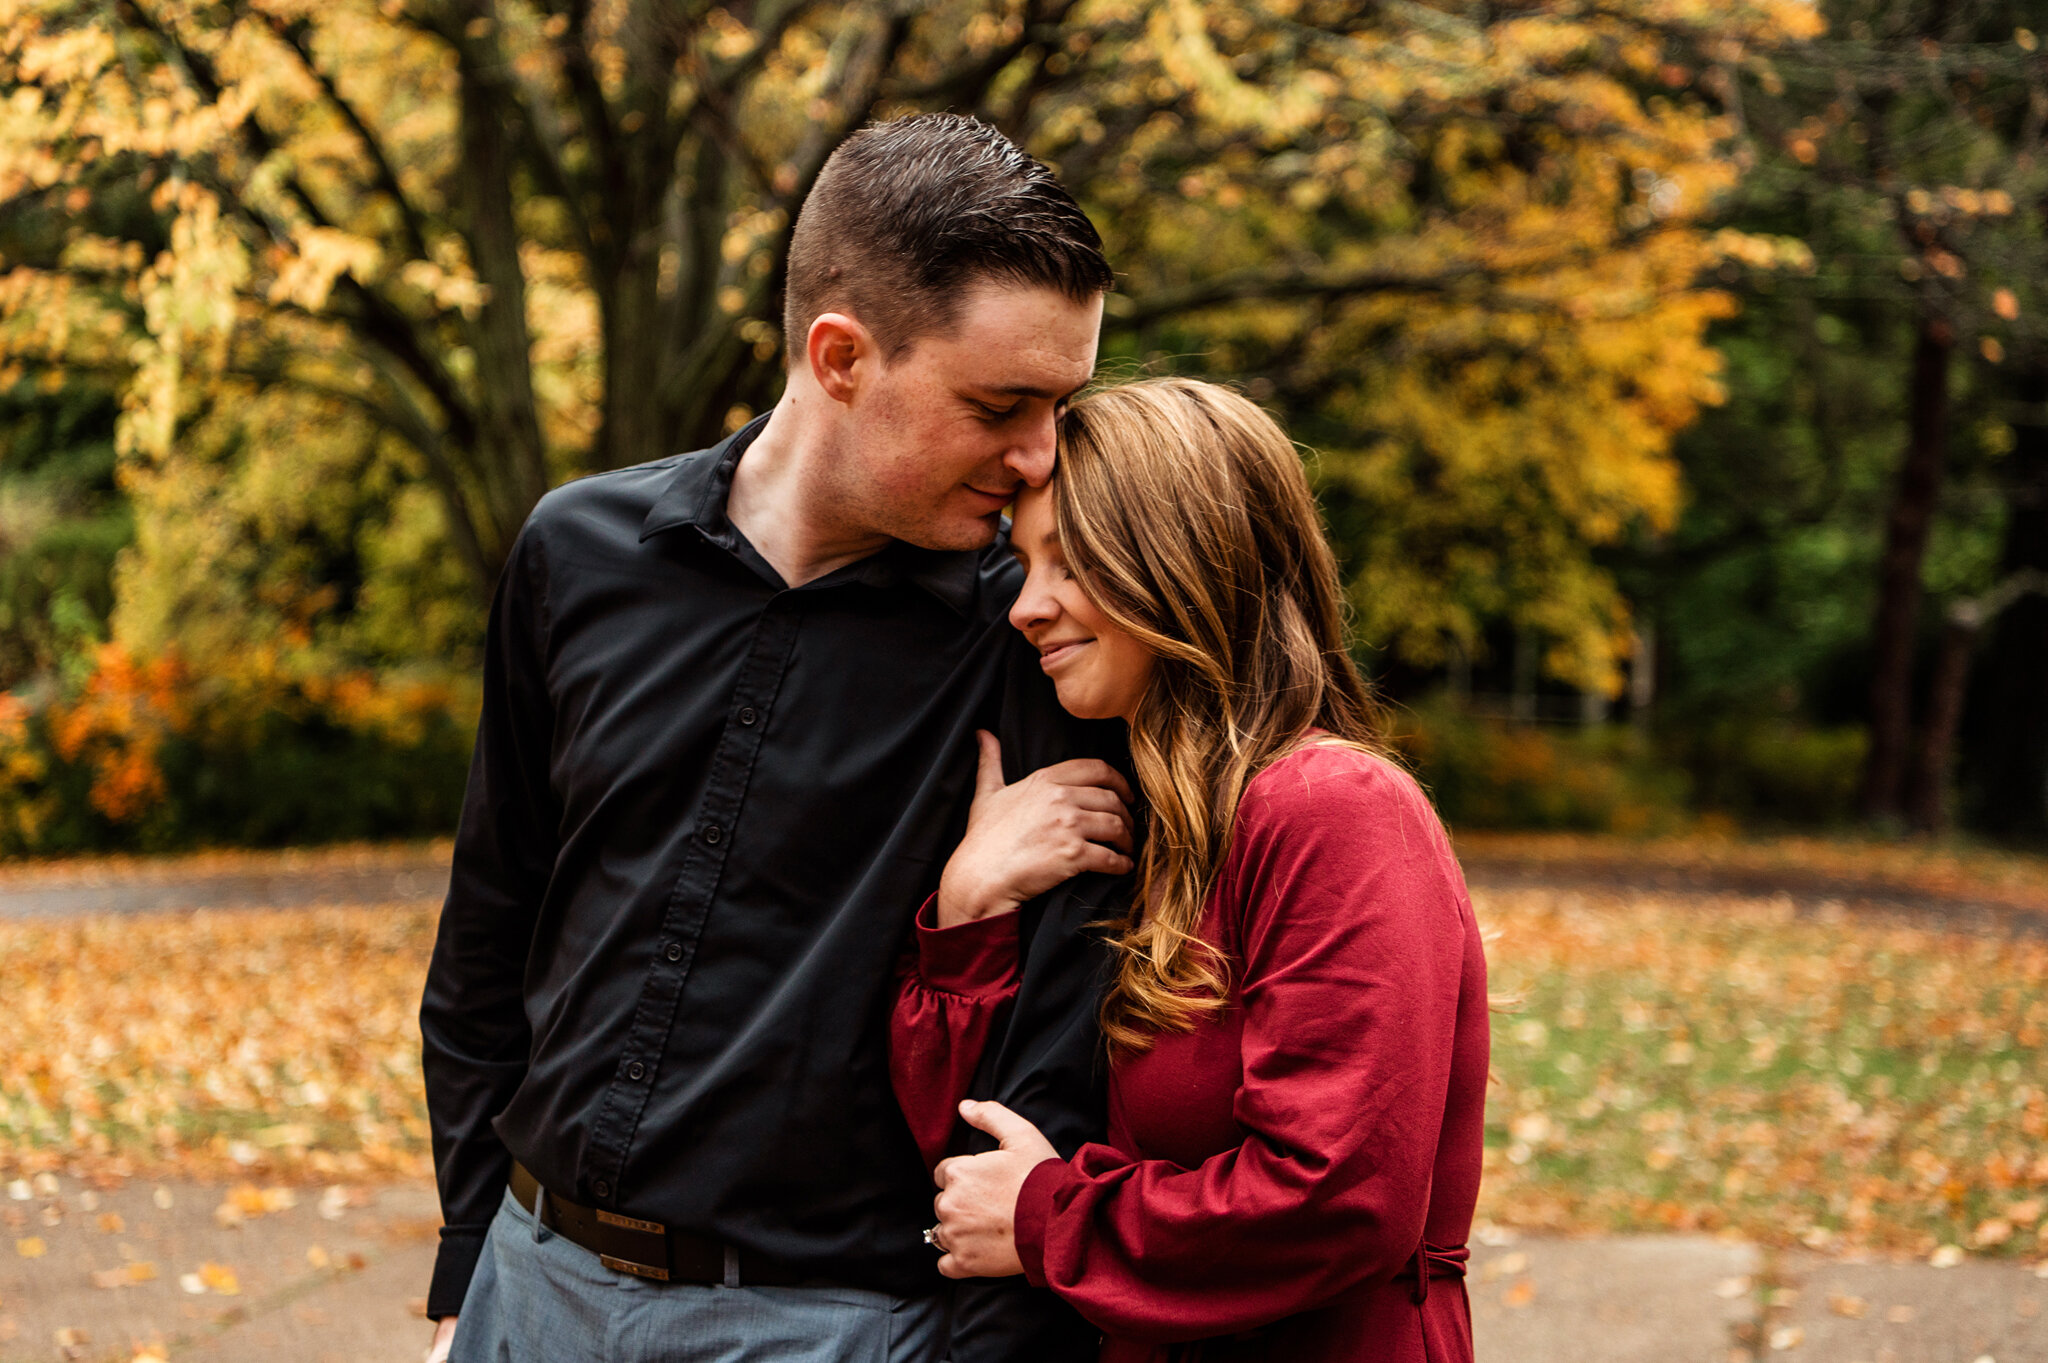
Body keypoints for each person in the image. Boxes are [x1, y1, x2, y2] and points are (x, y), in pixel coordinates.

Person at [419, 113, 1136, 1363]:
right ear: (841, 356)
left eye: (1060, 407)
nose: (1039, 457)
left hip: (835, 1326)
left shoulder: (1032, 641)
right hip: (526, 1290)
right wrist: (468, 1270)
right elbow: (491, 936)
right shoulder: (575, 552)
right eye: (1000, 404)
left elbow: (1048, 1069)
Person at [892, 378, 1490, 1362]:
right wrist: (970, 905)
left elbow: (1339, 1196)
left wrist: (1053, 1222)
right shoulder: (1170, 824)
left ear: (1178, 559)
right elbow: (975, 1162)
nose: (1024, 608)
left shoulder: (1332, 808)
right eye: (1020, 562)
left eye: (1065, 561)